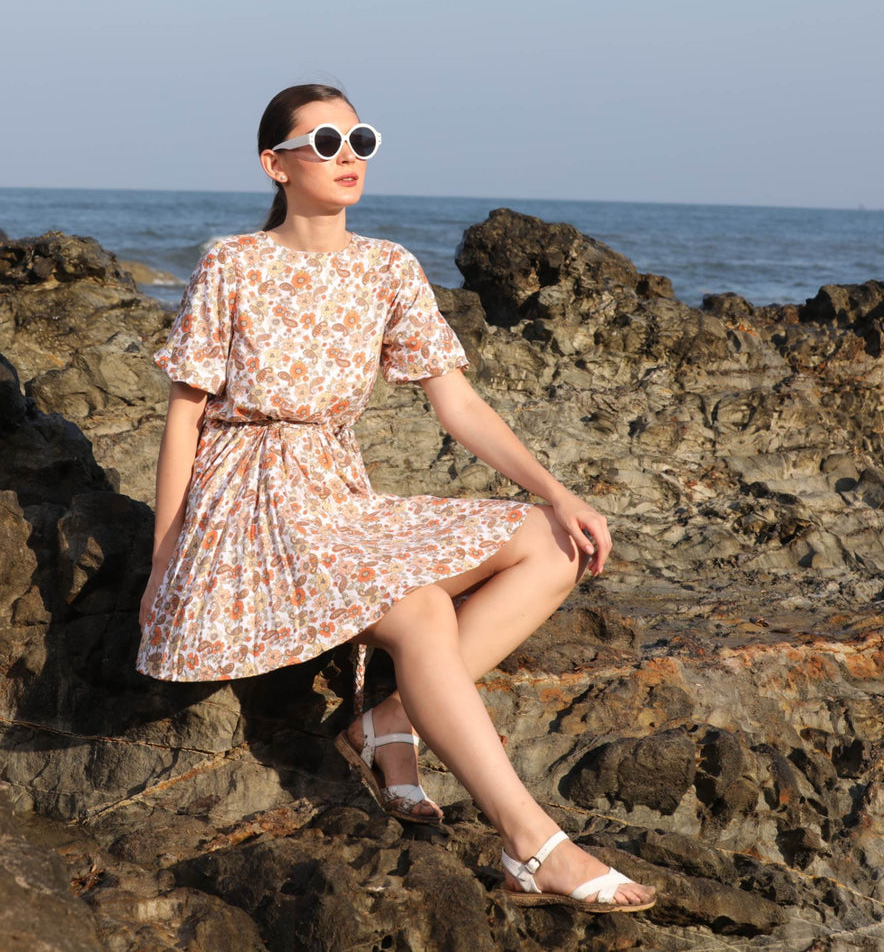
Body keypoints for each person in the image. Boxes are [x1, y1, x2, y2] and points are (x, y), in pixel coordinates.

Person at [137, 83, 656, 912]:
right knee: (417, 610)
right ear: (274, 165)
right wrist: (164, 562)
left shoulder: (387, 268)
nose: (347, 156)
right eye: (324, 142)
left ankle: (382, 717)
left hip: (337, 494)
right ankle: (532, 841)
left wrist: (557, 492)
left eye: (360, 140)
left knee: (554, 544)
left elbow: (457, 405)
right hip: (247, 503)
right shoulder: (232, 261)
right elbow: (184, 415)